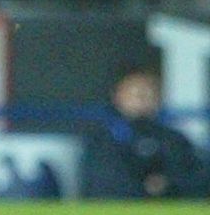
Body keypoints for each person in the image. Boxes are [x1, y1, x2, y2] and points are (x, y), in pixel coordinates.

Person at [82, 65, 210, 199]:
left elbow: (195, 180)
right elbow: (102, 186)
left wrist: (167, 185)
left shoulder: (174, 139)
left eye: (150, 93)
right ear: (117, 96)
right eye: (136, 93)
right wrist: (142, 189)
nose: (143, 99)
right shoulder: (102, 140)